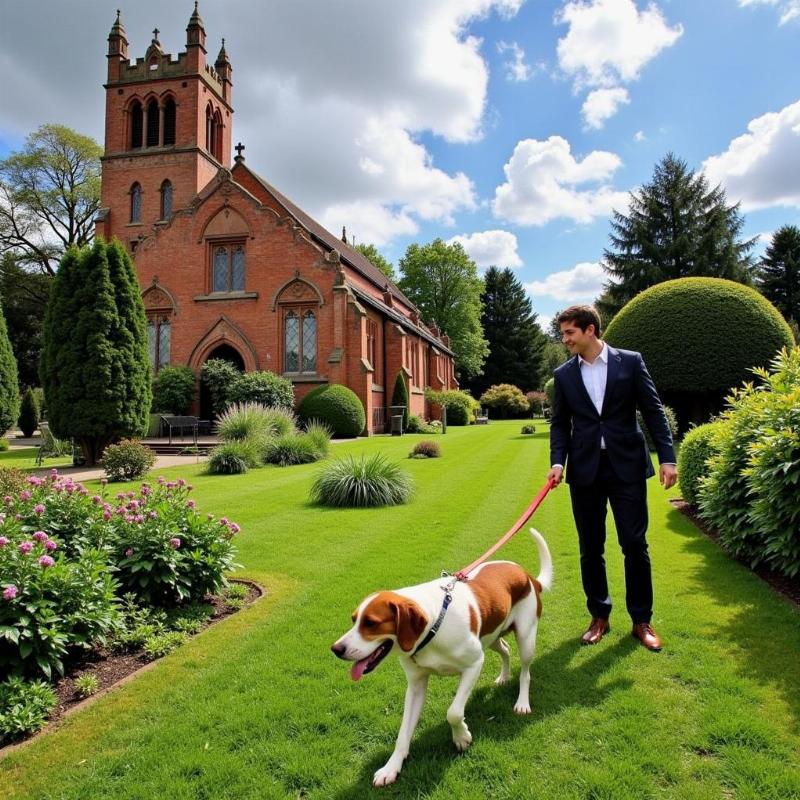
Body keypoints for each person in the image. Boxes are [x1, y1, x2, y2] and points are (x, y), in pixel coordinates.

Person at [547, 305, 677, 652]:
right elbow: (560, 424)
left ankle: (641, 620)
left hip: (627, 468)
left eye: (569, 333)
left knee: (634, 544)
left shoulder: (630, 362)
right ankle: (599, 616)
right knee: (591, 547)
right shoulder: (564, 375)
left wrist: (667, 458)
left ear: (590, 330)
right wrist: (557, 463)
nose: (565, 340)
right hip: (585, 470)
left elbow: (653, 410)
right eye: (563, 334)